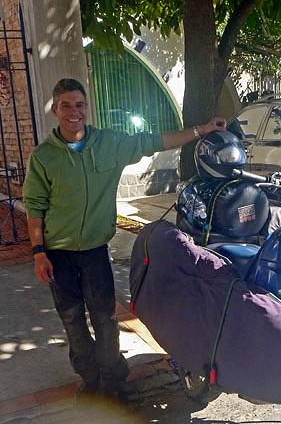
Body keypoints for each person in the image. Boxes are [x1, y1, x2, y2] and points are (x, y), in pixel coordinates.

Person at [23, 78, 226, 400]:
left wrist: (201, 130)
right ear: (55, 109)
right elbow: (34, 205)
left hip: (94, 252)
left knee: (104, 318)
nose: (74, 112)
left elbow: (155, 141)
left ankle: (113, 380)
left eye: (79, 105)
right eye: (66, 105)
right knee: (73, 320)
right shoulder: (44, 156)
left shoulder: (109, 143)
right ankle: (89, 379)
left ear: (86, 107)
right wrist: (38, 251)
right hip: (58, 254)